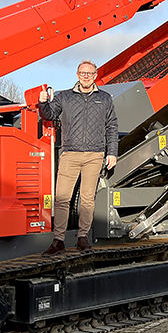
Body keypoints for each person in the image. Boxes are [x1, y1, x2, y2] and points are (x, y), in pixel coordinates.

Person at [38, 60, 118, 255]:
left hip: (95, 155)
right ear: (77, 75)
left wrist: (112, 152)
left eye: (89, 73)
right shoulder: (64, 97)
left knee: (87, 199)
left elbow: (112, 126)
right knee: (62, 198)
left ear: (95, 75)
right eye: (82, 73)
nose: (86, 76)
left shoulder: (105, 98)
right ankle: (58, 241)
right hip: (70, 154)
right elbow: (48, 114)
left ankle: (83, 238)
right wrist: (42, 102)